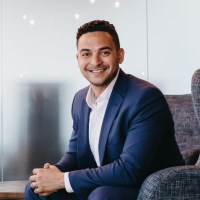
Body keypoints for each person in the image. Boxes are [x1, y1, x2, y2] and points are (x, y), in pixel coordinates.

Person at [25, 20, 184, 200]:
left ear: (120, 55)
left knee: (102, 195)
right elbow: (75, 155)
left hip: (147, 188)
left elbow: (129, 169)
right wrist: (53, 173)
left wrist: (62, 180)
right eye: (86, 54)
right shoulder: (80, 99)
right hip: (104, 185)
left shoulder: (145, 98)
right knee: (35, 189)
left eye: (105, 52)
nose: (95, 61)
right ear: (78, 58)